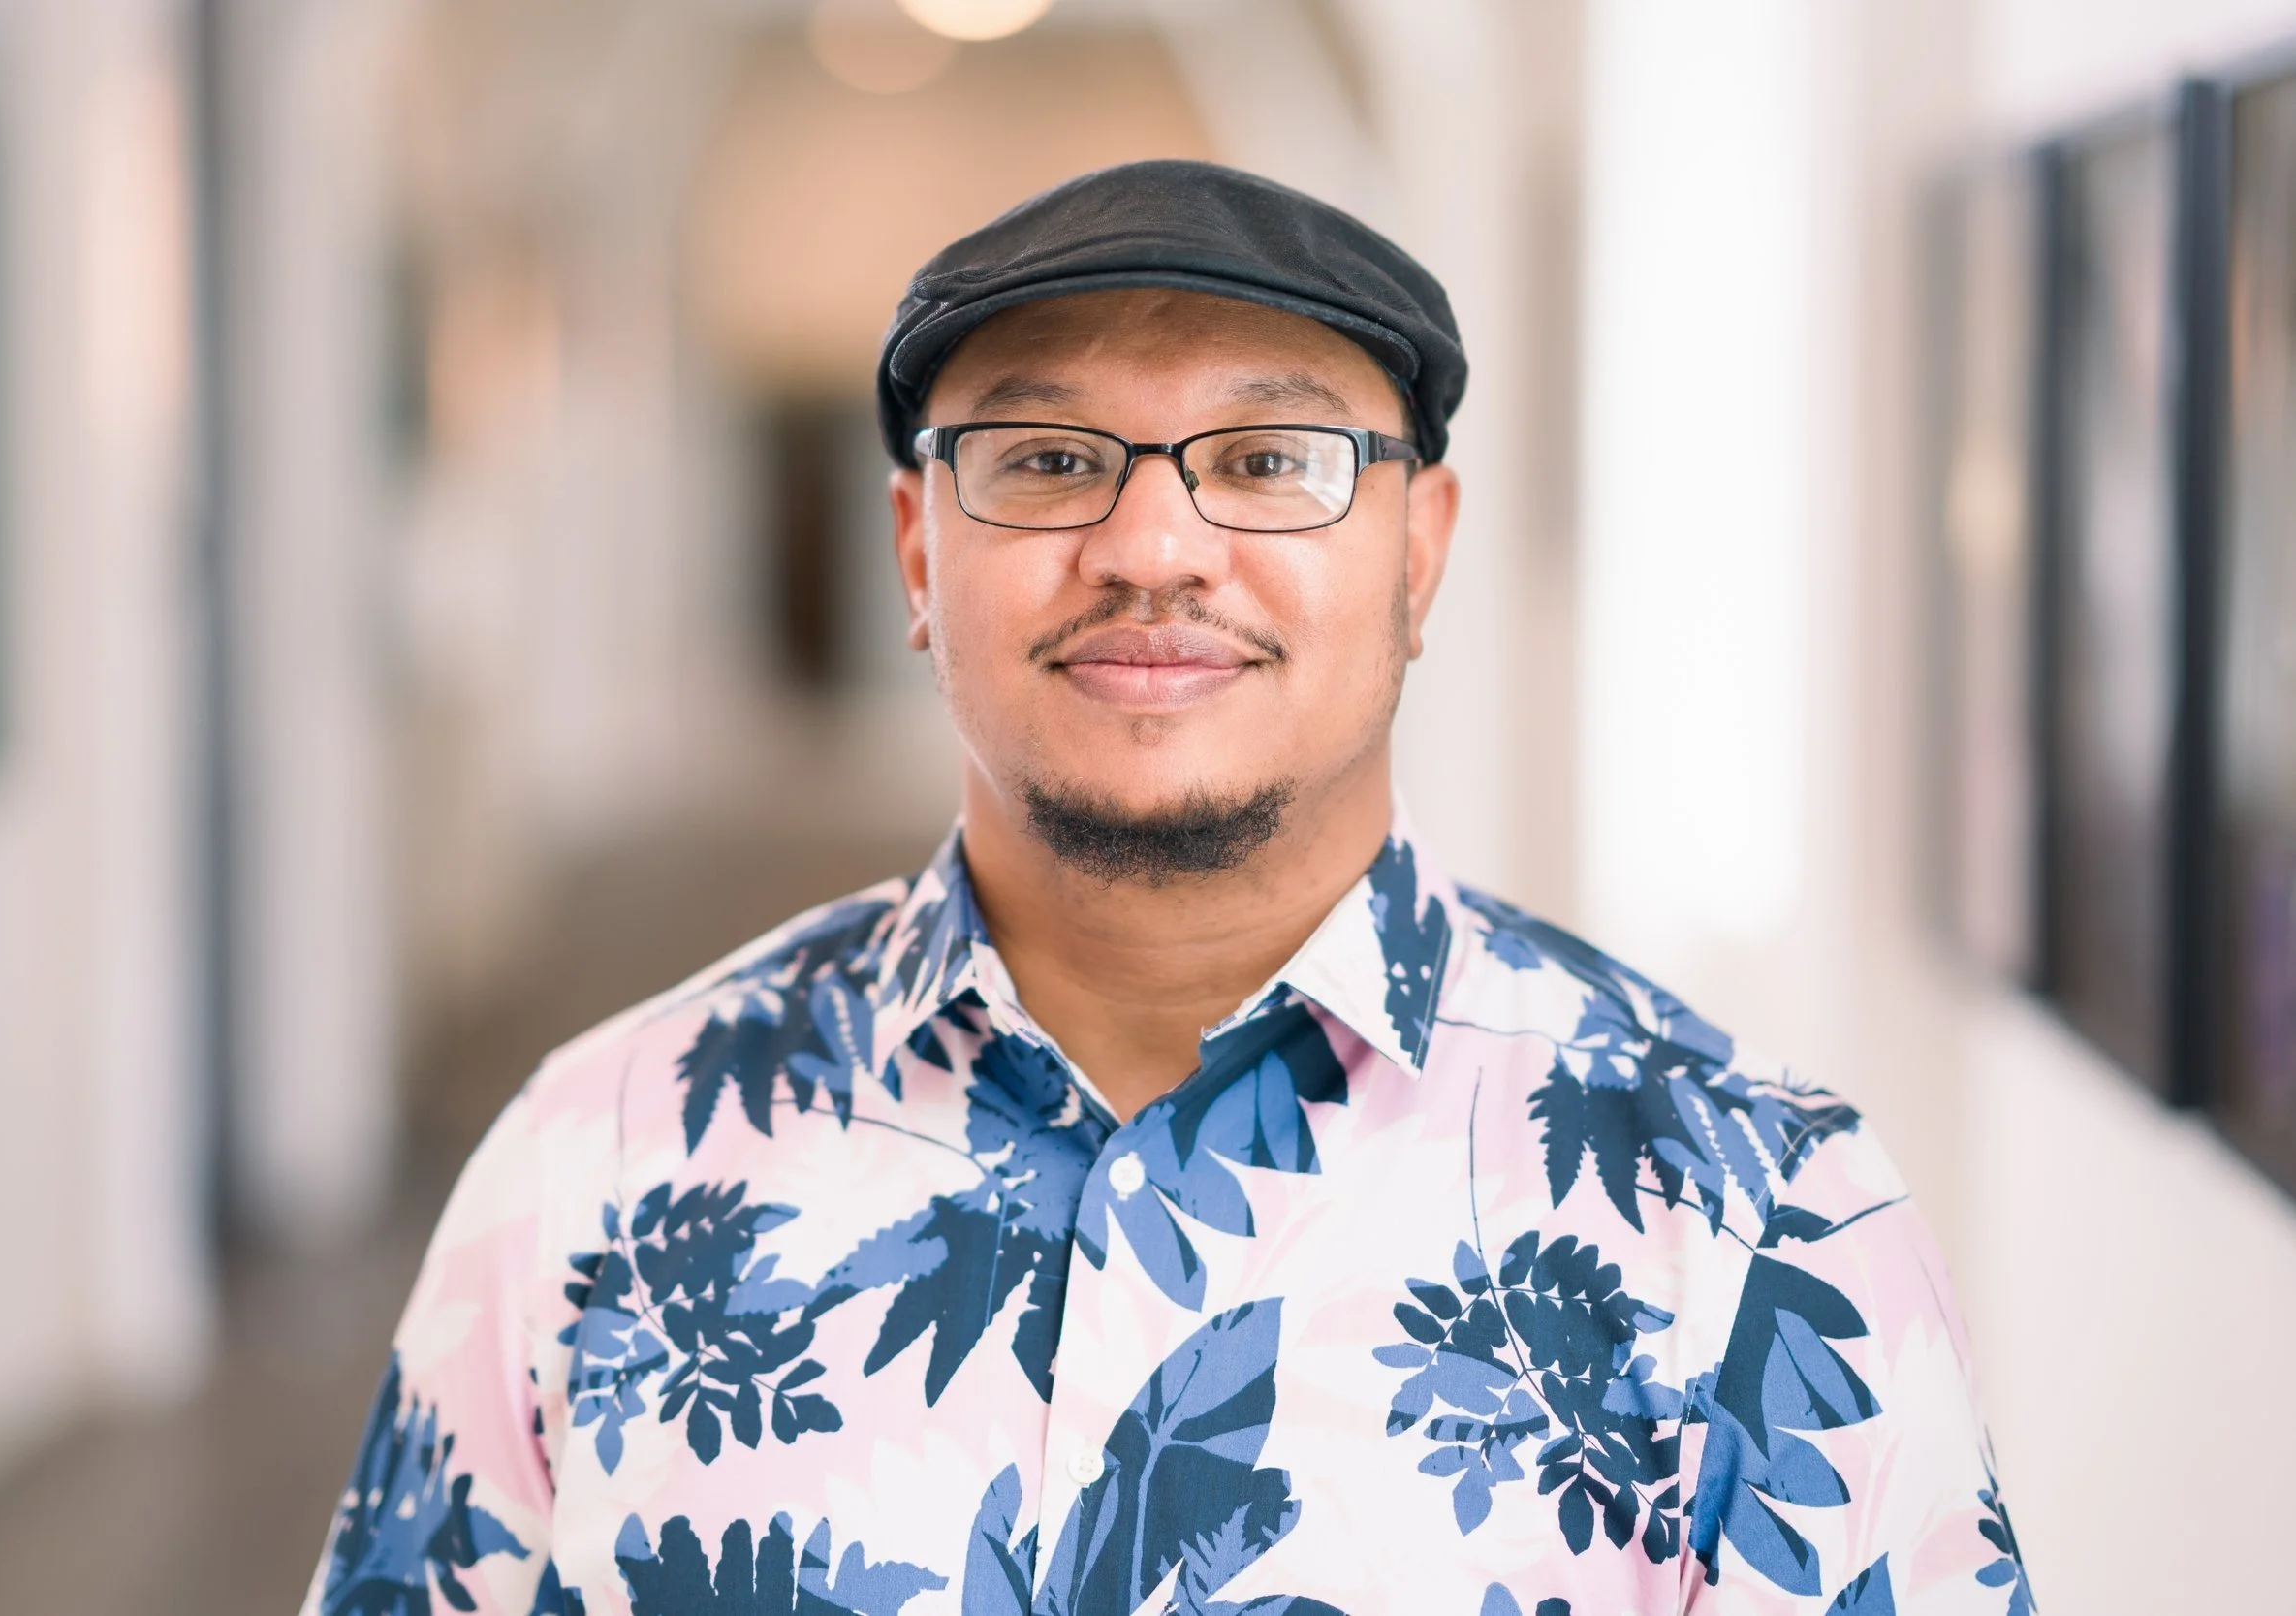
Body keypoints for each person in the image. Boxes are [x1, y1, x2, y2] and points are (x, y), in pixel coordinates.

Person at [300, 160, 2031, 1616]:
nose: (1150, 547)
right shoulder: (599, 1163)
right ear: (918, 553)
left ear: (1420, 550)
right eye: (1048, 458)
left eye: (1269, 460)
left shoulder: (1750, 1217)